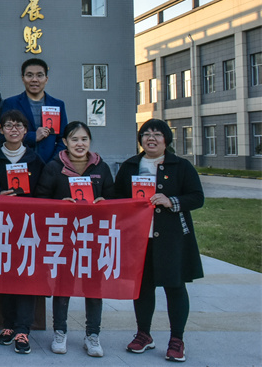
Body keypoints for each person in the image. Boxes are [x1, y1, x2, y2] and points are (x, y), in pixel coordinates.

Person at [111, 119, 204, 363]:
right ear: (140, 139)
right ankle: (144, 334)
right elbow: (116, 197)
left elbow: (197, 197)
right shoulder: (130, 165)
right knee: (142, 288)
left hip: (172, 238)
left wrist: (171, 201)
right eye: (146, 134)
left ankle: (177, 340)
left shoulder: (181, 166)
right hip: (140, 238)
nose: (151, 138)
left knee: (175, 287)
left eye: (157, 134)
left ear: (166, 140)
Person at [35, 121, 114, 357]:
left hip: (93, 237)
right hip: (64, 236)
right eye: (74, 139)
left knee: (94, 286)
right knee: (63, 285)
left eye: (84, 139)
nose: (80, 144)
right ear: (65, 142)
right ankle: (60, 332)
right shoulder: (53, 167)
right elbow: (40, 199)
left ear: (90, 142)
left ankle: (93, 335)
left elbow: (114, 198)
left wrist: (105, 203)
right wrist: (58, 205)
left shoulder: (101, 167)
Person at [0, 110, 44, 354]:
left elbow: (44, 193)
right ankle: (8, 325)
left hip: (28, 227)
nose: (13, 129)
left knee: (25, 276)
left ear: (25, 131)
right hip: (0, 226)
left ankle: (23, 329)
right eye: (9, 125)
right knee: (5, 276)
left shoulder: (35, 160)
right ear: (1, 130)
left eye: (18, 126)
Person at [1, 58, 67, 163]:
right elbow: (2, 135)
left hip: (50, 165)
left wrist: (52, 163)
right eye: (29, 75)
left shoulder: (57, 105)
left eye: (39, 75)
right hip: (19, 164)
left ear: (46, 79)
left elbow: (63, 139)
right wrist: (32, 136)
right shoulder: (10, 103)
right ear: (23, 78)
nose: (34, 80)